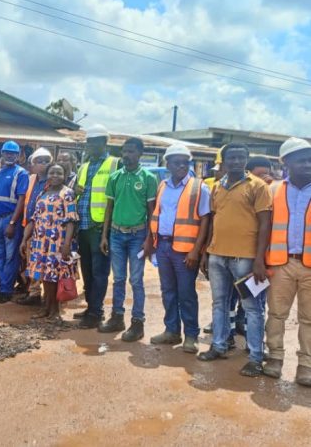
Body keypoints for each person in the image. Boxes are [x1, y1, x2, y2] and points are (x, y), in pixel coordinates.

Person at [198, 143, 272, 377]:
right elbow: (213, 220)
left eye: (241, 158)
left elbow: (265, 224)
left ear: (246, 160)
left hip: (246, 259)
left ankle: (255, 358)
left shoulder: (258, 187)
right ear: (224, 161)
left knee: (253, 309)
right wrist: (206, 251)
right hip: (218, 255)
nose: (236, 162)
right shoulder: (218, 187)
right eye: (232, 158)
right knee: (219, 304)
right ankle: (219, 345)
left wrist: (259, 259)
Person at [146, 145, 211, 353]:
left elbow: (205, 221)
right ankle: (171, 330)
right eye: (177, 162)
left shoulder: (199, 187)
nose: (182, 165)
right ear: (168, 164)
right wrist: (151, 243)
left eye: (186, 161)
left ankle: (191, 336)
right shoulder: (162, 186)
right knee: (168, 292)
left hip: (185, 250)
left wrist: (196, 251)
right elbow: (156, 214)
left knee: (186, 293)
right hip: (163, 245)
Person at [99, 137, 157, 342]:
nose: (126, 155)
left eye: (131, 151)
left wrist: (150, 239)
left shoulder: (148, 178)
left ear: (140, 154)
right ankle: (117, 317)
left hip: (138, 236)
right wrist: (104, 235)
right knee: (118, 279)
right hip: (116, 234)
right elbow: (109, 208)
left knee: (136, 280)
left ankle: (137, 322)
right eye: (124, 151)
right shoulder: (115, 177)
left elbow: (151, 212)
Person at [264, 138, 311, 386]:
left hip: (310, 266)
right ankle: (274, 357)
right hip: (281, 263)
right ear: (287, 163)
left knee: (309, 318)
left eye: (310, 159)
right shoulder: (273, 191)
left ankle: (306, 365)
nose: (308, 164)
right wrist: (261, 261)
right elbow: (263, 229)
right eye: (301, 160)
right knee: (276, 314)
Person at [73, 125, 119, 328]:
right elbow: (77, 192)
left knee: (100, 272)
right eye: (88, 142)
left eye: (94, 142)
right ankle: (91, 306)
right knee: (87, 270)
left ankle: (96, 312)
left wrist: (108, 231)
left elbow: (117, 197)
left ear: (104, 143)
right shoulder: (83, 167)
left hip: (100, 227)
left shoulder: (114, 164)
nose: (89, 146)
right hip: (82, 225)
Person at [21, 164, 78, 319]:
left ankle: (55, 310)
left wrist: (67, 244)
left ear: (65, 175)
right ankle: (46, 308)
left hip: (57, 242)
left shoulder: (67, 194)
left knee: (55, 276)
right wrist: (24, 239)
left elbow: (71, 220)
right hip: (40, 242)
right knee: (45, 276)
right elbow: (33, 219)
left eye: (59, 173)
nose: (55, 175)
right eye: (52, 172)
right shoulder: (42, 193)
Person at [0, 140, 29, 304]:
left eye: (13, 153)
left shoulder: (21, 173)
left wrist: (12, 223)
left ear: (18, 156)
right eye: (6, 153)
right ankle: (1, 286)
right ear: (2, 154)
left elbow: (21, 199)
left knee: (11, 256)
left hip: (10, 220)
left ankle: (6, 290)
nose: (9, 155)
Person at [17, 147, 53, 306]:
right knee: (31, 261)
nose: (43, 164)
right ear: (33, 164)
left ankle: (48, 296)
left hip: (46, 230)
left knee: (45, 262)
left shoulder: (53, 181)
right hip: (30, 226)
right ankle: (34, 292)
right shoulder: (31, 179)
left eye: (47, 161)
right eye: (40, 161)